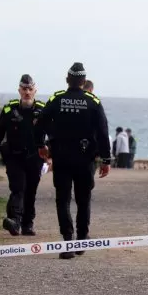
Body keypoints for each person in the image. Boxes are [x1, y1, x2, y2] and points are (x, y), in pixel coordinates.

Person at [34, 62, 112, 259]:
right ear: (84, 81)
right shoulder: (93, 100)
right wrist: (106, 159)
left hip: (61, 157)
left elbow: (40, 122)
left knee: (63, 199)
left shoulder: (57, 98)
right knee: (83, 200)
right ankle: (82, 239)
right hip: (85, 158)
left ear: (67, 79)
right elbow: (103, 131)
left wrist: (41, 145)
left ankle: (67, 241)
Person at [0, 74, 46, 236]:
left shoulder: (42, 110)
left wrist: (51, 156)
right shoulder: (9, 109)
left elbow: (52, 133)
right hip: (14, 156)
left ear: (35, 91)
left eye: (30, 89)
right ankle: (15, 222)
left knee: (31, 190)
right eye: (24, 89)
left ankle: (28, 224)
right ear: (19, 90)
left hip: (35, 157)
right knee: (18, 188)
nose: (27, 92)